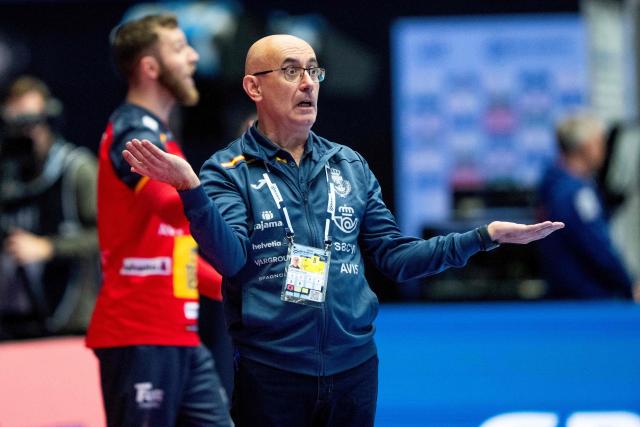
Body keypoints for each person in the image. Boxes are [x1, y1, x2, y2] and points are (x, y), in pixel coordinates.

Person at [123, 34, 564, 426]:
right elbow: (233, 260)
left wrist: (483, 236)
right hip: (273, 374)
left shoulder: (348, 165)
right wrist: (191, 191)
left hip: (355, 370)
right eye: (291, 71)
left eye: (314, 71)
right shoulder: (226, 170)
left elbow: (395, 257)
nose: (308, 83)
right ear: (253, 86)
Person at [84, 14, 232, 427]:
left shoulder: (165, 140)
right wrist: (240, 187)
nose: (194, 58)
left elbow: (175, 246)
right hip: (139, 335)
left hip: (180, 336)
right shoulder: (133, 130)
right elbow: (174, 204)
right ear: (150, 67)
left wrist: (242, 284)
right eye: (180, 48)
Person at [0, 75, 99, 339]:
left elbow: (109, 236)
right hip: (16, 321)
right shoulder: (8, 175)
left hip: (71, 323)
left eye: (32, 122)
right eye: (16, 123)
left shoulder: (78, 169)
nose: (26, 132)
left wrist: (48, 247)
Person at [537, 112, 638, 300]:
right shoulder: (578, 194)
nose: (604, 150)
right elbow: (597, 246)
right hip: (590, 298)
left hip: (564, 294)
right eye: (600, 143)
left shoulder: (551, 184)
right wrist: (628, 284)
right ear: (587, 147)